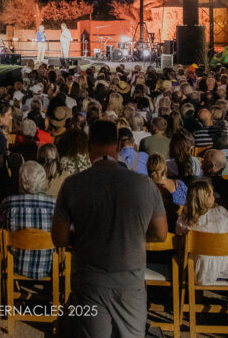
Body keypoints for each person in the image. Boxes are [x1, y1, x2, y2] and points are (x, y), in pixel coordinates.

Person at [51, 120, 167, 337]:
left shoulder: (74, 184)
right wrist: (133, 234)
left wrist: (82, 236)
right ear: (117, 145)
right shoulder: (143, 184)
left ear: (89, 147)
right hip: (129, 279)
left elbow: (59, 238)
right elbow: (161, 233)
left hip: (89, 280)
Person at [0, 161, 56, 279]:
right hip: (48, 266)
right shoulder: (54, 205)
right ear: (43, 180)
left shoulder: (8, 203)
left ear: (21, 180)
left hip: (15, 266)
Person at [176, 179, 228, 285]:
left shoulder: (186, 219)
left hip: (197, 271)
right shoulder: (222, 213)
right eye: (212, 194)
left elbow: (179, 239)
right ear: (205, 198)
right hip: (224, 268)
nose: (214, 197)